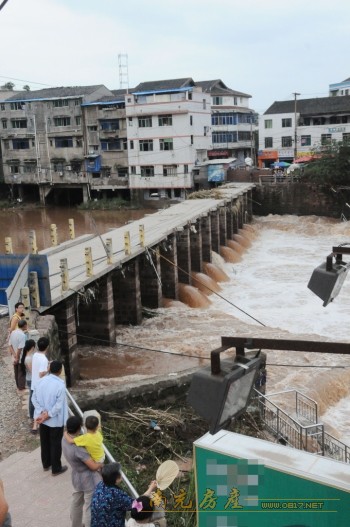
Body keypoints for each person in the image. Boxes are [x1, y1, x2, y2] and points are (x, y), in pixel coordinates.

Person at [62, 416, 103, 527]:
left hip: (76, 475)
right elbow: (93, 467)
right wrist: (100, 464)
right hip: (88, 479)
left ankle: (76, 525)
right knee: (89, 506)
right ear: (79, 428)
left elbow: (69, 436)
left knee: (76, 502)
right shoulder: (79, 449)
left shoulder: (64, 440)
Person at [32, 359, 69, 476]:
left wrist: (42, 412)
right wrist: (49, 415)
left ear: (49, 369)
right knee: (55, 443)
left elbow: (34, 399)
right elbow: (58, 406)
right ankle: (56, 468)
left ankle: (46, 464)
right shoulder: (60, 385)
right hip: (55, 420)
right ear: (60, 371)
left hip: (42, 418)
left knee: (44, 441)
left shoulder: (40, 382)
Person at [91, 463, 157, 527]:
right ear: (117, 479)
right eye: (120, 473)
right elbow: (137, 505)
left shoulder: (100, 485)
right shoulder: (117, 495)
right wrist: (151, 488)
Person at [21, 339, 37, 433]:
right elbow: (32, 371)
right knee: (32, 398)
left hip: (30, 379)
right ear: (32, 347)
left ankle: (32, 415)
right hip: (31, 380)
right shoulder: (28, 358)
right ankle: (32, 416)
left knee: (32, 397)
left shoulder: (29, 356)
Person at [8, 318, 27, 390]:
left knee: (16, 371)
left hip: (14, 354)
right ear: (25, 326)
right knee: (21, 371)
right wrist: (17, 357)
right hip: (20, 356)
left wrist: (14, 354)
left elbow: (9, 345)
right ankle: (21, 386)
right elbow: (20, 348)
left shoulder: (13, 332)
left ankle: (18, 385)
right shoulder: (22, 335)